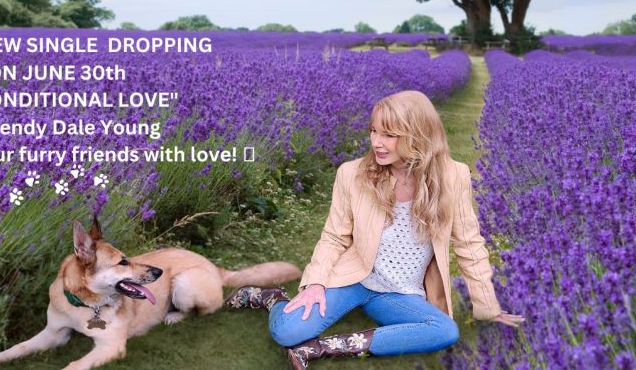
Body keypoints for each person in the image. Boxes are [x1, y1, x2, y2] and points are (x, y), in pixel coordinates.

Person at [225, 90, 524, 369]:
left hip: (399, 294)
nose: (376, 142)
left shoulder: (453, 176)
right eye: (373, 130)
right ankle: (272, 298)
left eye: (390, 135)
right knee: (288, 331)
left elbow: (469, 244)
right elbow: (333, 237)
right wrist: (315, 284)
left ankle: (323, 348)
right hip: (354, 279)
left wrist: (488, 306)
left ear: (419, 135)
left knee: (445, 330)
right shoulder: (352, 173)